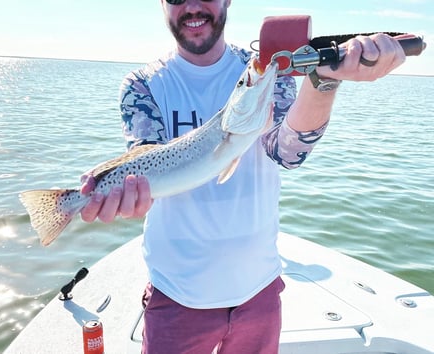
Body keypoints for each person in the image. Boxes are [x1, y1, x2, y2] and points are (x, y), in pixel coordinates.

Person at [80, 1, 407, 352]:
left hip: (259, 292)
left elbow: (287, 152)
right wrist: (128, 198)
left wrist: (323, 80)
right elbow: (147, 161)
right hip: (177, 294)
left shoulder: (264, 69)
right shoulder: (142, 84)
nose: (192, 6)